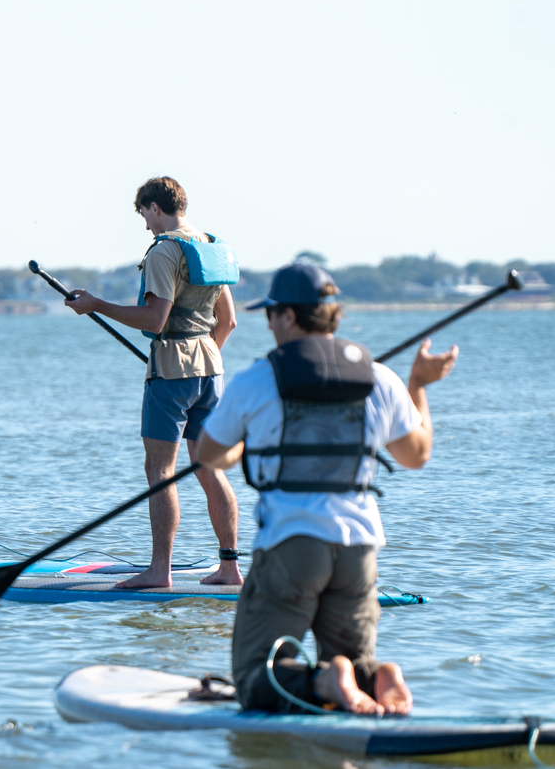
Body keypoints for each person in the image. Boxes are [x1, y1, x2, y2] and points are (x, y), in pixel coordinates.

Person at [195, 263, 459, 716]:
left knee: (257, 679)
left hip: (292, 544)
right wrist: (418, 385)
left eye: (271, 314)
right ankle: (373, 677)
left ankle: (325, 678)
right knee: (356, 665)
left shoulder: (257, 380)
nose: (269, 323)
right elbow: (417, 455)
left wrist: (246, 443)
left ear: (290, 318)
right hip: (359, 549)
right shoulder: (381, 378)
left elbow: (209, 455)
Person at [65, 176, 242, 589]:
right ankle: (230, 567)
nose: (145, 224)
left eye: (144, 214)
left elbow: (154, 320)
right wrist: (202, 358)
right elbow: (229, 321)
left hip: (172, 372)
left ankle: (159, 570)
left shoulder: (165, 250)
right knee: (209, 467)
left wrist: (96, 305)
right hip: (211, 370)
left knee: (160, 471)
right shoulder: (209, 245)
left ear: (155, 208)